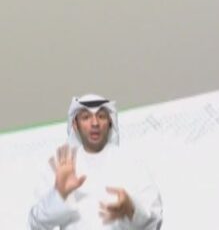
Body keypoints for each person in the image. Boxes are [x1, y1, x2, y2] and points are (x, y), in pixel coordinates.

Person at [29, 95, 162, 229]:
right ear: (75, 124)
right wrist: (58, 196)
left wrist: (131, 208)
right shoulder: (62, 167)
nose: (95, 123)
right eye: (86, 117)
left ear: (110, 122)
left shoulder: (131, 163)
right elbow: (36, 224)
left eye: (101, 116)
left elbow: (155, 221)